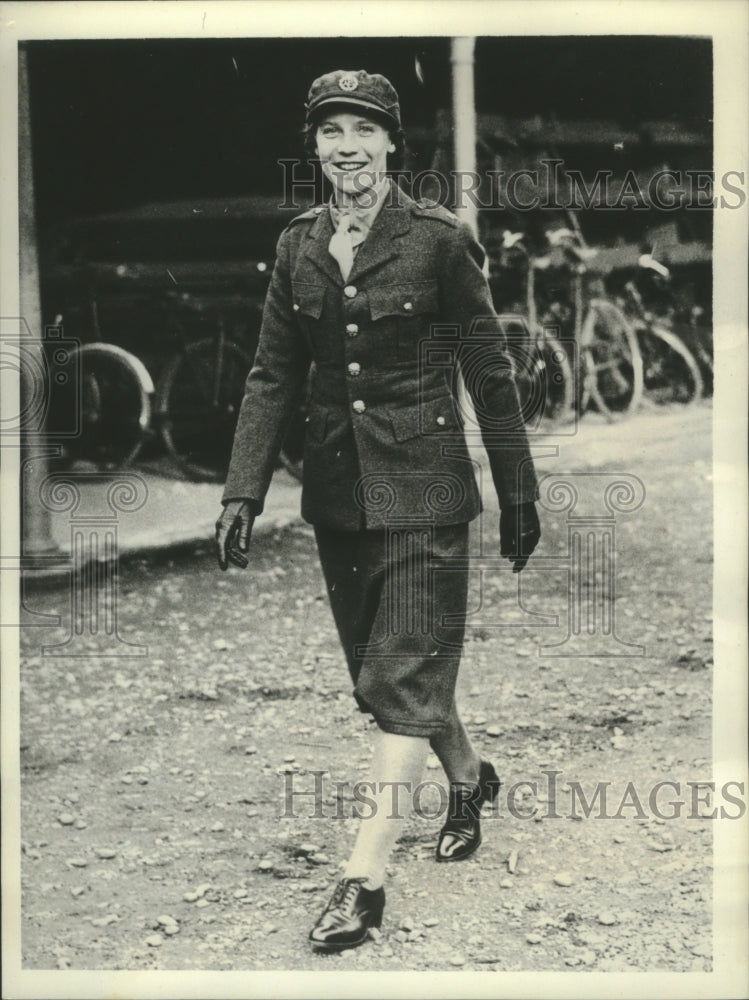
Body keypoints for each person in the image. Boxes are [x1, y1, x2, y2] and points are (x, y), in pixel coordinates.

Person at [216, 69, 541, 952]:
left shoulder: (438, 241)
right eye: (330, 131)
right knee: (383, 673)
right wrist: (243, 489)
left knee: (399, 675)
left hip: (427, 489)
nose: (347, 146)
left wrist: (518, 488)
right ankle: (467, 777)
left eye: (364, 128)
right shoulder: (297, 246)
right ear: (314, 146)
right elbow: (272, 372)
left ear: (393, 143)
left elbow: (488, 369)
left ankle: (362, 881)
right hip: (339, 495)